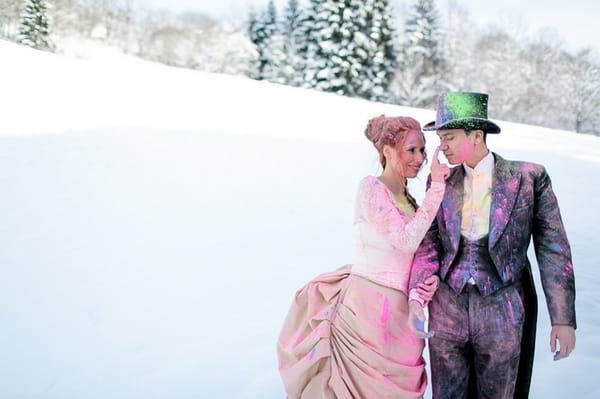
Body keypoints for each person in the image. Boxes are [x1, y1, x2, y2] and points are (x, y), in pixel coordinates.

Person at [407, 92, 576, 398]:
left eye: (450, 137)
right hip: (447, 308)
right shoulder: (440, 182)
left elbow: (553, 250)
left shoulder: (528, 178)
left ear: (477, 135)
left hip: (503, 309)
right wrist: (418, 294)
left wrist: (562, 318)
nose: (442, 145)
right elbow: (428, 241)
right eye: (441, 138)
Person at [277, 115, 450, 398]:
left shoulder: (408, 198)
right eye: (411, 150)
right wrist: (437, 190)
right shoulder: (371, 188)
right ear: (387, 151)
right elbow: (405, 241)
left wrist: (427, 279)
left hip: (402, 314)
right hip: (369, 308)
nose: (419, 158)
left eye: (422, 150)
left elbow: (418, 251)